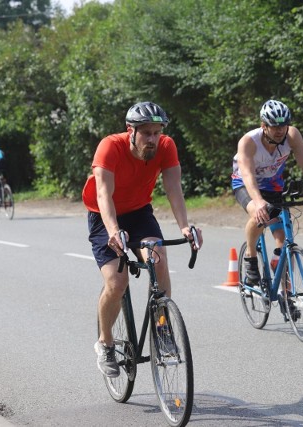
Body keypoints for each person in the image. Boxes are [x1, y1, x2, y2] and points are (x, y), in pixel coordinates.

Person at [82, 101, 202, 378]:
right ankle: (105, 343)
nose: (152, 138)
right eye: (146, 132)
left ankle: (162, 329)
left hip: (138, 213)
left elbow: (173, 188)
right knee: (117, 281)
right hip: (104, 215)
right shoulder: (110, 146)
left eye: (157, 132)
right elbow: (103, 194)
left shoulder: (166, 147)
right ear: (131, 131)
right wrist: (113, 230)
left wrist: (185, 227)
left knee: (158, 259)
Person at [231, 99, 303, 293]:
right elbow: (247, 174)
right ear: (263, 126)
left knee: (283, 238)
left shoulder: (292, 135)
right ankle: (250, 255)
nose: (280, 130)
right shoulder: (249, 142)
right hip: (245, 183)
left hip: (273, 184)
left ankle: (285, 288)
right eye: (274, 126)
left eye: (283, 125)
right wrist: (257, 202)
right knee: (260, 214)